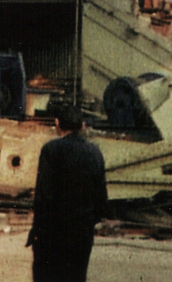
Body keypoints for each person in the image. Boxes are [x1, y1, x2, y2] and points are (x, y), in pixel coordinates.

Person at [28, 105, 108, 282]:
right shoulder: (95, 153)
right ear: (82, 126)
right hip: (82, 232)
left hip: (53, 232)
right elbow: (101, 198)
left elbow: (43, 196)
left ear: (57, 124)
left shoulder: (51, 150)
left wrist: (37, 230)